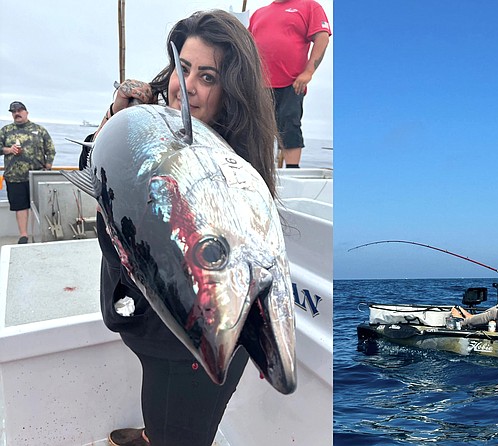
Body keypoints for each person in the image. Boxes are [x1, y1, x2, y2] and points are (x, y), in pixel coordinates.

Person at [78, 10, 278, 446]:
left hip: (189, 346)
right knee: (162, 408)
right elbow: (95, 170)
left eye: (208, 77)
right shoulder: (150, 126)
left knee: (181, 429)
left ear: (233, 92)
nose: (186, 86)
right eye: (182, 68)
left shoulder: (226, 168)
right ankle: (155, 433)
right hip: (152, 330)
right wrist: (117, 116)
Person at [249, 0, 331, 168]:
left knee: (289, 124)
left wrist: (308, 72)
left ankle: (292, 169)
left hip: (292, 83)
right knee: (255, 128)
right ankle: (257, 169)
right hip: (258, 85)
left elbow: (322, 37)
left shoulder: (310, 6)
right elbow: (246, 45)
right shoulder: (259, 13)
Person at [0, 101, 55, 244]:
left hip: (37, 176)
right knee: (20, 206)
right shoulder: (5, 131)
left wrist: (48, 168)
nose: (16, 113)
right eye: (13, 111)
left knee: (41, 206)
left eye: (19, 110)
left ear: (26, 112)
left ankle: (43, 234)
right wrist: (9, 150)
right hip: (15, 177)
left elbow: (50, 150)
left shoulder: (39, 130)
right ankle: (24, 236)